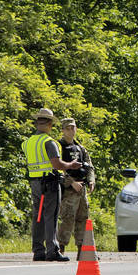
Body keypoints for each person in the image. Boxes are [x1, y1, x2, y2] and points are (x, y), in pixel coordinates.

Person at [22, 108, 81, 261]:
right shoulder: (49, 142)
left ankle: (38, 251)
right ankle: (52, 251)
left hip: (35, 183)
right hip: (50, 183)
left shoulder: (27, 143)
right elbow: (57, 164)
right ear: (49, 124)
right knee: (51, 216)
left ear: (36, 123)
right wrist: (71, 165)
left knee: (38, 216)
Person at [56, 117, 94, 257]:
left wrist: (90, 180)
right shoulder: (59, 146)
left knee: (83, 219)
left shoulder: (80, 148)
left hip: (81, 189)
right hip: (68, 190)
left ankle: (81, 250)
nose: (71, 130)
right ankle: (60, 249)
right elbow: (58, 168)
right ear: (63, 130)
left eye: (73, 127)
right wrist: (71, 182)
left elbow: (89, 166)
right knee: (67, 218)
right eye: (68, 128)